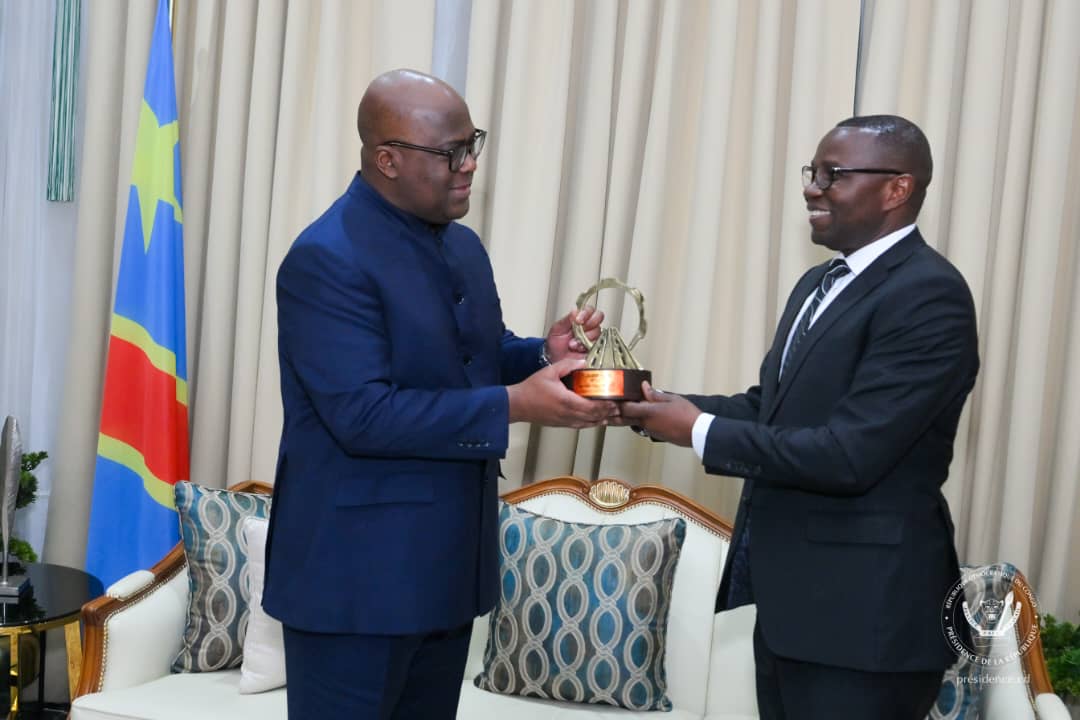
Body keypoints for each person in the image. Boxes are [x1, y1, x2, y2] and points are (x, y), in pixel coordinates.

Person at [263, 68, 618, 719]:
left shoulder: (462, 246)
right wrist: (517, 403)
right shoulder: (326, 258)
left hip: (446, 573)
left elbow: (468, 362)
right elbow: (363, 415)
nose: (470, 164)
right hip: (356, 586)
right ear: (387, 159)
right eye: (450, 151)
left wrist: (543, 354)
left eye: (472, 142)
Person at [619, 115, 978, 719]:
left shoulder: (929, 293)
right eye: (812, 172)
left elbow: (849, 455)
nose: (813, 188)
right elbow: (771, 411)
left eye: (832, 174)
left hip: (866, 623)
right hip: (792, 613)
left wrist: (698, 430)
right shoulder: (818, 283)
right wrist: (656, 406)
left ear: (898, 189)